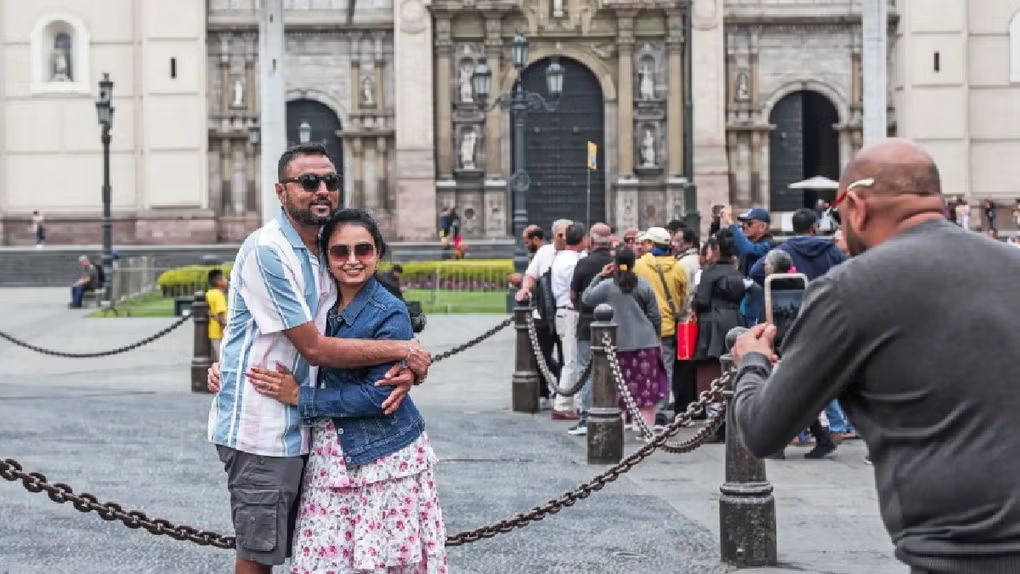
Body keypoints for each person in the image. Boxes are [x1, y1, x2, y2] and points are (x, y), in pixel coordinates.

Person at [731, 138, 1020, 574]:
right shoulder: (1013, 265)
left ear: (858, 206)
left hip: (961, 552)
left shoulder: (849, 290)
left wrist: (751, 361)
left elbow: (763, 431)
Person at [206, 143, 431, 574]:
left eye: (331, 181)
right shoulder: (268, 252)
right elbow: (314, 346)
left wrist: (409, 366)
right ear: (281, 191)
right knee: (259, 552)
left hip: (313, 434)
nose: (322, 189)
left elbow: (366, 321)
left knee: (315, 552)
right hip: (264, 430)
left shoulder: (321, 254)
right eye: (309, 182)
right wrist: (405, 350)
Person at [246, 209, 447, 573]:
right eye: (340, 252)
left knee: (377, 560)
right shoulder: (317, 302)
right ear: (326, 257)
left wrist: (301, 397)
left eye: (363, 250)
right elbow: (271, 338)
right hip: (331, 451)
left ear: (378, 253)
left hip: (384, 457)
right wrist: (224, 370)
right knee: (325, 558)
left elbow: (377, 396)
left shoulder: (389, 310)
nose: (352, 261)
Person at [581, 247, 666, 435]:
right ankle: (645, 426)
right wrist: (657, 337)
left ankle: (619, 422)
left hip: (618, 343)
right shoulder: (643, 285)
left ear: (615, 264)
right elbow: (654, 315)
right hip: (645, 341)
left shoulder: (607, 286)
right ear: (634, 263)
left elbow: (586, 298)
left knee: (620, 385)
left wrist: (600, 276)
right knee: (645, 388)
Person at [206, 268, 228, 360]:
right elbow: (221, 316)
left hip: (212, 332)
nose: (226, 280)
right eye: (224, 278)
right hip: (219, 333)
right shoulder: (219, 295)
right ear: (219, 282)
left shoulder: (208, 294)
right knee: (222, 359)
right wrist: (225, 332)